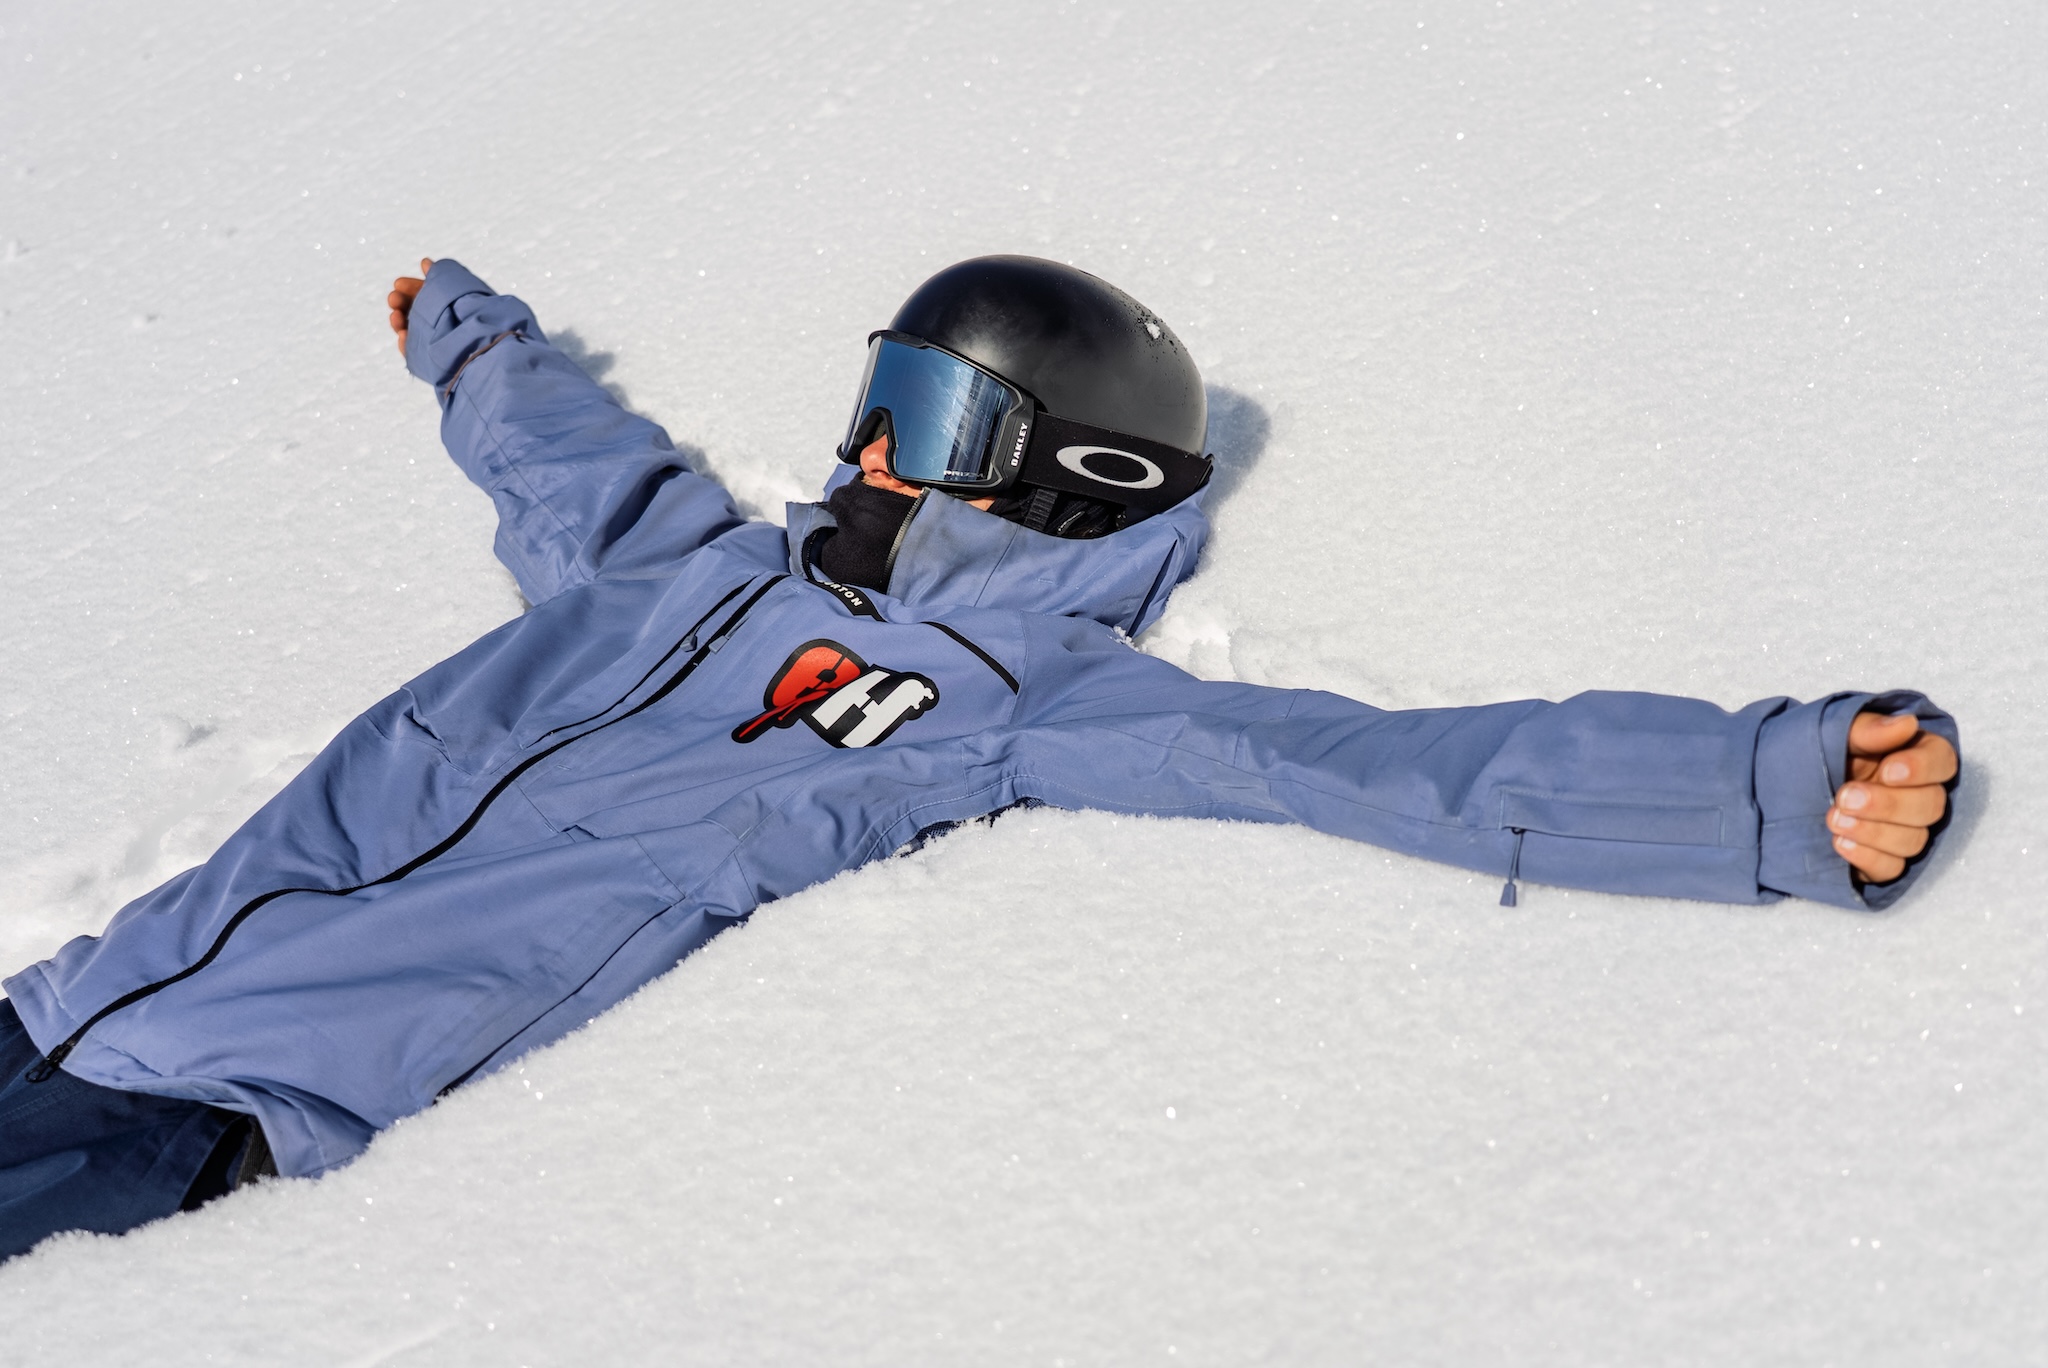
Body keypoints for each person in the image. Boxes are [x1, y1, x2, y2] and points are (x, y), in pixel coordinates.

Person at [0, 254, 1959, 1259]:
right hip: (55, 1003)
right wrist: (467, 337)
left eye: (932, 419)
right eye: (883, 393)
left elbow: (1370, 765)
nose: (868, 449)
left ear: (1073, 473)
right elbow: (566, 457)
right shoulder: (683, 562)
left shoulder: (1016, 696)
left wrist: (1768, 791)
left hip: (196, 1117)